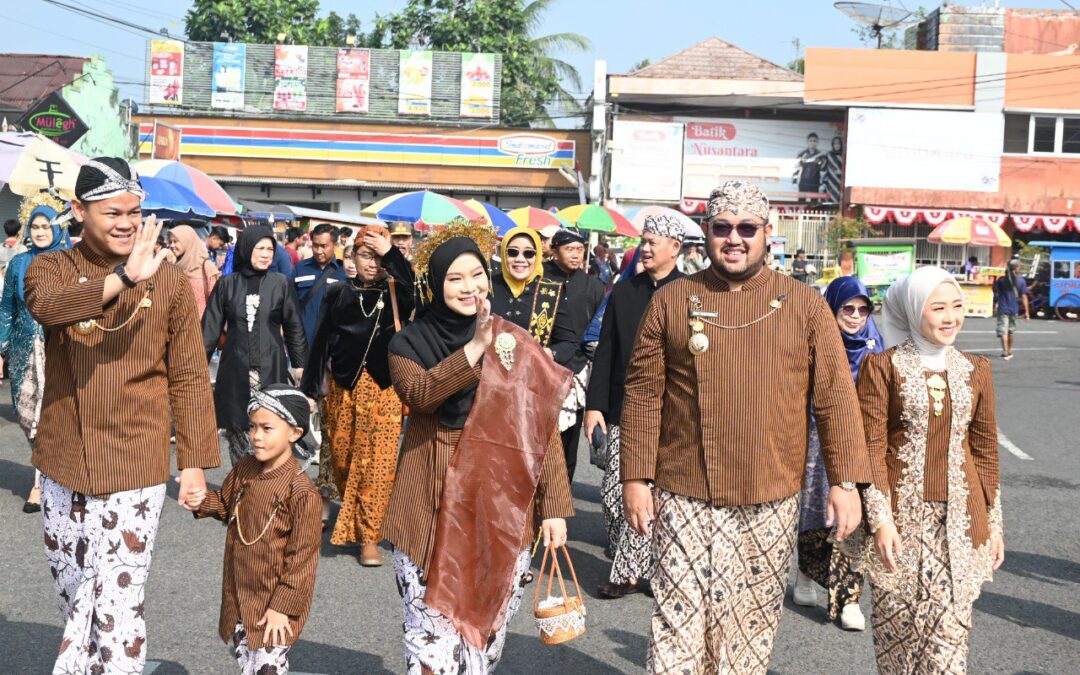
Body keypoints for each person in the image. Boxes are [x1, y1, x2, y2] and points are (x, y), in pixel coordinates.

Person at [620, 180, 871, 674]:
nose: (734, 238)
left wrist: (845, 483)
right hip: (685, 488)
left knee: (750, 628)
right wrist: (635, 476)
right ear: (706, 234)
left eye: (746, 228)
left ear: (768, 234)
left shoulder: (804, 305)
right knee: (678, 622)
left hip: (771, 493)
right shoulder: (673, 301)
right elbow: (644, 394)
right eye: (722, 228)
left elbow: (836, 400)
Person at [24, 158, 219, 673]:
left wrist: (194, 462)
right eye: (114, 212)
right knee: (73, 591)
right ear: (79, 211)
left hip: (137, 458)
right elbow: (50, 309)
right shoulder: (50, 268)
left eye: (135, 212)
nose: (128, 223)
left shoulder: (172, 283)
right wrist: (121, 278)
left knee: (117, 601)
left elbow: (190, 376)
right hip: (64, 458)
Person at [383, 221, 574, 673]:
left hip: (499, 506)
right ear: (435, 285)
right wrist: (474, 349)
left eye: (476, 275)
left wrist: (553, 509)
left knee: (482, 640)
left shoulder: (515, 339)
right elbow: (422, 395)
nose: (469, 288)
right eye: (455, 278)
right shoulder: (407, 342)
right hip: (430, 505)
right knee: (431, 639)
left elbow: (539, 427)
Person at [843, 266, 1003, 674]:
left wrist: (994, 523)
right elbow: (871, 448)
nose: (951, 317)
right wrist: (880, 521)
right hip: (897, 527)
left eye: (957, 306)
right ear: (915, 312)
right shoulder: (883, 367)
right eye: (938, 308)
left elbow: (984, 451)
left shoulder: (976, 369)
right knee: (898, 639)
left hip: (959, 527)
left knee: (948, 643)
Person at [186, 383, 322, 675]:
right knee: (249, 663)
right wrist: (202, 500)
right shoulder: (245, 469)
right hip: (239, 593)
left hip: (275, 603)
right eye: (252, 427)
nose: (256, 437)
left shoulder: (302, 492)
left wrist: (281, 607)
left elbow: (302, 561)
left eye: (267, 428)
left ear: (295, 433)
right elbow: (225, 505)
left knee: (266, 667)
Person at [584, 214, 684, 600]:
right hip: (626, 409)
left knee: (654, 495)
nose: (644, 248)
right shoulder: (624, 293)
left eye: (653, 241)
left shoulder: (690, 293)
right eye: (642, 241)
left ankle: (631, 572)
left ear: (675, 247)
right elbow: (606, 351)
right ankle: (635, 560)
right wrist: (595, 407)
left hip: (673, 412)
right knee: (613, 493)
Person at [302, 226, 414, 567]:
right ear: (351, 257)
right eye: (366, 255)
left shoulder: (398, 291)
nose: (373, 264)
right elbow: (320, 340)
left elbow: (416, 290)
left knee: (377, 466)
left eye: (379, 257)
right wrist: (310, 390)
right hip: (342, 390)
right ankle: (349, 518)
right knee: (346, 460)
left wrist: (392, 254)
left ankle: (369, 537)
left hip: (384, 390)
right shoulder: (337, 293)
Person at [793, 276, 884, 631]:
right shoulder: (813, 342)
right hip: (816, 436)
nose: (856, 316)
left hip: (859, 442)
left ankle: (849, 598)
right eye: (848, 308)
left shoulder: (875, 347)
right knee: (815, 514)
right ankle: (804, 576)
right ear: (833, 307)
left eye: (863, 309)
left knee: (853, 519)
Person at [203, 226, 307, 466]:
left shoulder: (280, 283)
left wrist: (300, 364)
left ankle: (266, 492)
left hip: (271, 369)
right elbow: (209, 330)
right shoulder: (227, 284)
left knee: (271, 432)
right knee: (239, 431)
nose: (265, 254)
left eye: (270, 249)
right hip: (235, 369)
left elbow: (294, 326)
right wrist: (197, 368)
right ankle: (241, 492)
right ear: (246, 248)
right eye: (259, 248)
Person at [0, 193, 70, 513]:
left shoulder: (70, 260)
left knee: (51, 417)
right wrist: (2, 349)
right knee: (27, 415)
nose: (41, 232)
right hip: (23, 349)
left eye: (47, 226)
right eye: (36, 226)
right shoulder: (18, 262)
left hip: (60, 352)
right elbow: (7, 310)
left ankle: (41, 484)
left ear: (57, 229)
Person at [544, 228, 605, 482]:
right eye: (569, 249)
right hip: (545, 364)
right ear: (554, 250)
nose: (576, 255)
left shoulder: (593, 285)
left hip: (579, 368)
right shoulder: (541, 279)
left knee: (569, 439)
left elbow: (598, 327)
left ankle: (563, 494)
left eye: (580, 249)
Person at [490, 225, 563, 345]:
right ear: (503, 253)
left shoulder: (550, 291)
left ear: (538, 255)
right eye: (513, 252)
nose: (520, 259)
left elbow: (568, 342)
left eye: (528, 253)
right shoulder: (487, 286)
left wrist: (547, 353)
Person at [291, 223, 346, 347]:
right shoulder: (300, 268)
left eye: (324, 246)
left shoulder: (343, 273)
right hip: (301, 342)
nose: (318, 251)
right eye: (315, 245)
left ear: (335, 245)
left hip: (330, 344)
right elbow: (289, 304)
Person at [168, 224, 221, 318]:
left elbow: (216, 303)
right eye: (170, 241)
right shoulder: (175, 265)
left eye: (175, 241)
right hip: (177, 324)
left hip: (200, 326)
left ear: (187, 242)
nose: (172, 245)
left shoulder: (207, 267)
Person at [994, 259, 1029, 360]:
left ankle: (1005, 352)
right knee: (1011, 331)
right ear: (1017, 268)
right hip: (1014, 309)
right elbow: (1024, 297)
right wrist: (1027, 312)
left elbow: (995, 290)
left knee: (1003, 331)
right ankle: (1010, 350)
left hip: (1003, 308)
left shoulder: (1001, 280)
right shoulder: (1021, 280)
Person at [821, 136, 844, 204]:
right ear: (832, 145)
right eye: (835, 144)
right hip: (830, 183)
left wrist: (842, 172)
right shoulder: (829, 155)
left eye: (838, 143)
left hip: (841, 183)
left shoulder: (844, 155)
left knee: (839, 201)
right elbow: (824, 170)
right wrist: (823, 183)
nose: (837, 145)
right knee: (829, 201)